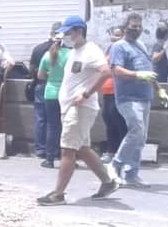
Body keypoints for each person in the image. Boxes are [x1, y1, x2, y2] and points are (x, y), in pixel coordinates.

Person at [36, 16, 120, 206]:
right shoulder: (75, 51)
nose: (65, 36)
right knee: (82, 148)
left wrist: (87, 94)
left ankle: (58, 194)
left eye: (68, 32)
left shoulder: (91, 51)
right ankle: (108, 182)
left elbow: (106, 72)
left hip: (80, 107)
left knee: (68, 149)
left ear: (78, 31)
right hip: (70, 106)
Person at [109, 13, 163, 188]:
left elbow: (148, 69)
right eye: (133, 26)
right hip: (128, 98)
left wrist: (159, 89)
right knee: (136, 131)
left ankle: (132, 173)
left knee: (141, 137)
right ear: (125, 27)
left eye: (139, 26)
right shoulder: (119, 46)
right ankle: (115, 165)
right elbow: (116, 70)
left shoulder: (140, 45)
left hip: (144, 97)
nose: (137, 29)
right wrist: (137, 75)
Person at [38, 33, 69, 170]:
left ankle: (49, 159)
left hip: (50, 93)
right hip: (67, 93)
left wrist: (51, 76)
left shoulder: (47, 55)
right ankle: (68, 158)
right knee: (67, 126)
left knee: (52, 126)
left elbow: (40, 75)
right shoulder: (71, 54)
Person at [29, 23, 59, 160]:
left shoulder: (38, 49)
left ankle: (40, 149)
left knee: (41, 119)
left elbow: (32, 70)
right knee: (56, 122)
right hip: (58, 87)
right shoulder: (66, 51)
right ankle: (54, 149)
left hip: (41, 86)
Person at [100, 26, 127, 162]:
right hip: (107, 90)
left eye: (118, 35)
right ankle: (111, 151)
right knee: (109, 121)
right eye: (114, 35)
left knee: (119, 121)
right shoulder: (110, 49)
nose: (115, 38)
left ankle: (122, 152)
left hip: (117, 90)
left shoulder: (122, 50)